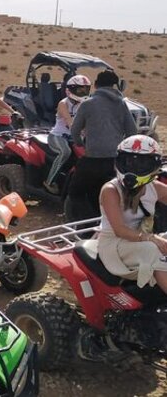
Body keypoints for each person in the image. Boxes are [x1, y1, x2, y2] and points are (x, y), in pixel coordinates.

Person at [98, 135, 167, 295]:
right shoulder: (110, 190)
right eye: (128, 161)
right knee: (154, 251)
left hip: (140, 239)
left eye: (142, 163)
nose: (133, 167)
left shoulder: (154, 188)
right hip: (115, 244)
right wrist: (152, 238)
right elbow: (120, 230)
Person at [68, 70, 137, 221]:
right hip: (115, 161)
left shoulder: (87, 104)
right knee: (113, 195)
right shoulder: (121, 104)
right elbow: (132, 131)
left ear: (96, 85)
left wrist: (80, 144)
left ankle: (86, 226)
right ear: (115, 86)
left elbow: (74, 130)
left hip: (92, 159)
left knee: (75, 192)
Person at [43, 75, 91, 194]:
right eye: (80, 89)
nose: (83, 92)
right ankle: (48, 182)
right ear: (71, 89)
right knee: (65, 152)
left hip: (73, 137)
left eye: (85, 89)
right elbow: (71, 123)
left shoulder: (83, 104)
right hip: (57, 136)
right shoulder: (63, 104)